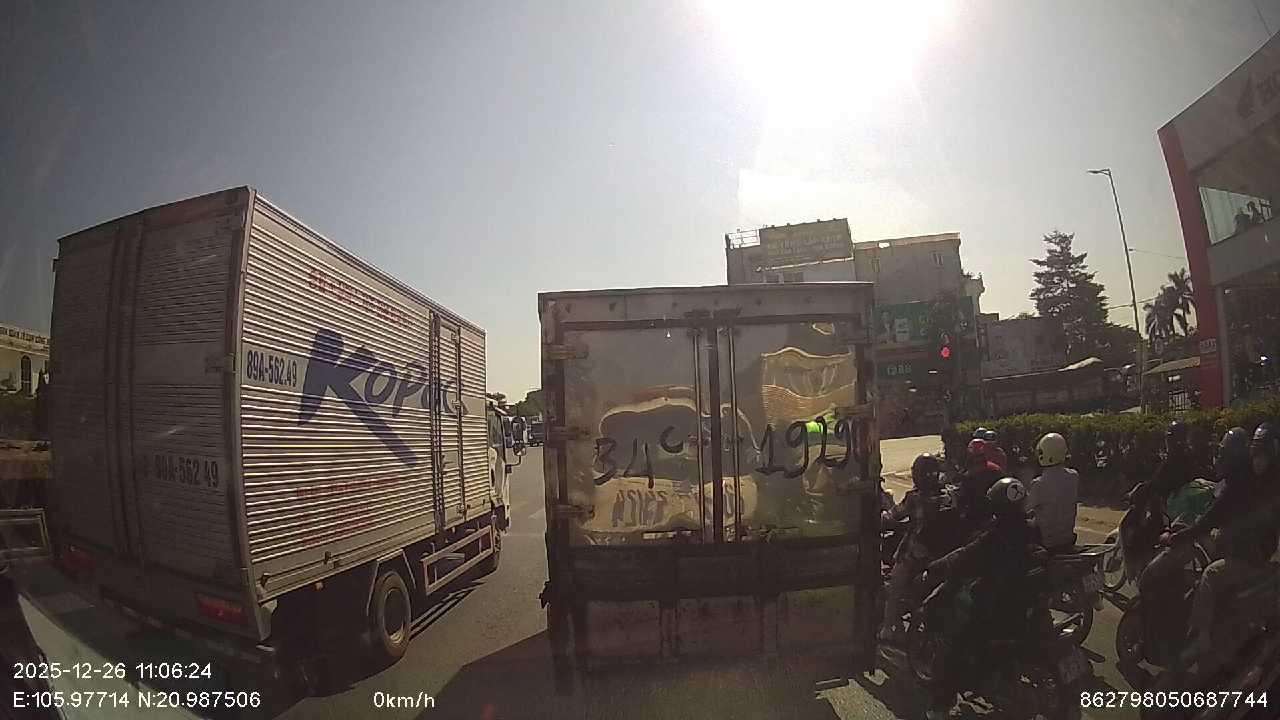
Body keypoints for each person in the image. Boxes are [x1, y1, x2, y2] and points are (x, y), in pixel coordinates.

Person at [922, 478, 1046, 720]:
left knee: (951, 648)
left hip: (995, 609)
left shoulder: (994, 537)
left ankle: (939, 707)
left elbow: (962, 558)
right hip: (1025, 605)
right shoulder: (1031, 529)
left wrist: (933, 568)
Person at [1174, 423, 1280, 673]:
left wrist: (1185, 534)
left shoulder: (1254, 484)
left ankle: (1202, 638)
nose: (1258, 460)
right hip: (1254, 554)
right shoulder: (1254, 480)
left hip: (1251, 559)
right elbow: (1219, 513)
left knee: (1210, 575)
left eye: (1263, 455)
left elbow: (1215, 516)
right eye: (1255, 453)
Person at [879, 454, 962, 642]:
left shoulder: (914, 498)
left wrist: (881, 516)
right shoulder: (949, 495)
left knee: (895, 587)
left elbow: (891, 517)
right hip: (942, 555)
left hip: (916, 556)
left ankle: (888, 628)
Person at [1027, 432, 1079, 551]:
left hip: (1046, 541)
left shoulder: (1039, 483)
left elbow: (1025, 508)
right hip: (1067, 538)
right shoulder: (1074, 476)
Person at [956, 439, 1003, 535]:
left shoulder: (969, 476)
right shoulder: (996, 469)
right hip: (996, 515)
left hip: (976, 517)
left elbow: (962, 499)